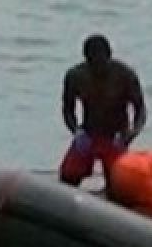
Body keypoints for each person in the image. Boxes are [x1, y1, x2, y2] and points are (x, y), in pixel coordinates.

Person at [60, 34, 147, 186]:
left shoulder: (125, 75)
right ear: (86, 59)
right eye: (93, 63)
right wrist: (76, 131)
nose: (98, 68)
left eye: (102, 62)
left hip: (116, 136)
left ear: (109, 56)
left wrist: (130, 134)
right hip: (88, 134)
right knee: (68, 175)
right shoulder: (75, 76)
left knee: (119, 181)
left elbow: (140, 110)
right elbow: (68, 109)